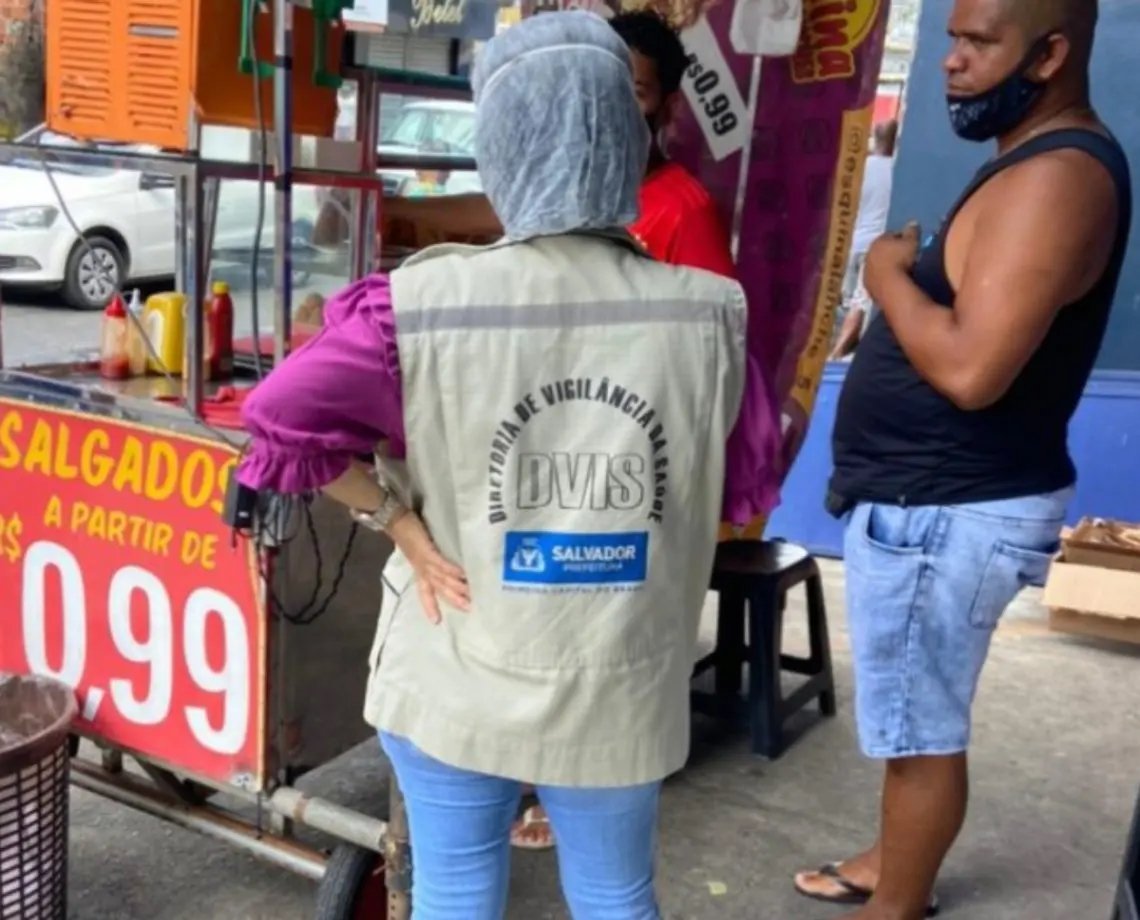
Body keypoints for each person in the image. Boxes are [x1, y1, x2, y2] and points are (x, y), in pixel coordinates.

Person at [239, 11, 780, 918]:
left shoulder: (419, 306)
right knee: (616, 897)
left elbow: (279, 422)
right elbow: (740, 484)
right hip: (621, 671)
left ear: (500, 146)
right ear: (626, 134)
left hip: (460, 658)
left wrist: (399, 522)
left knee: (455, 895)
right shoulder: (709, 314)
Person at [795, 1, 1131, 918]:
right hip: (934, 502)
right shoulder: (1030, 161)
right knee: (914, 720)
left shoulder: (1055, 180)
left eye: (980, 43)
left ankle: (894, 905)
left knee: (922, 732)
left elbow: (973, 370)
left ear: (1051, 52)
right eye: (950, 38)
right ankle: (891, 857)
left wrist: (885, 276)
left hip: (948, 509)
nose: (951, 62)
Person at [509, 7, 739, 852]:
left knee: (598, 633)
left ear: (666, 106)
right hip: (542, 438)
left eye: (632, 92)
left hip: (625, 459)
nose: (609, 111)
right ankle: (533, 773)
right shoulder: (550, 194)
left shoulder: (681, 209)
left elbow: (711, 368)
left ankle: (577, 787)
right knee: (537, 618)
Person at [615, 9, 737, 278]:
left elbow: (712, 317)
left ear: (669, 108)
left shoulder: (687, 214)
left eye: (635, 94)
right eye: (606, 88)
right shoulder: (576, 192)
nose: (614, 107)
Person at [830, 119, 898, 361]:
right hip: (874, 246)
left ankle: (837, 353)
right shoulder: (896, 171)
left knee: (849, 303)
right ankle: (837, 356)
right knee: (861, 303)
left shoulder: (860, 169)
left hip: (851, 244)